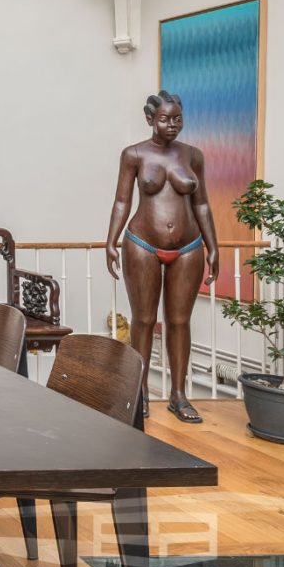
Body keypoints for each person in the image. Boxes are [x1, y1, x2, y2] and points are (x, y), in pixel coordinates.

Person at [105, 90, 220, 423]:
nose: (172, 125)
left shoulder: (193, 156)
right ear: (150, 119)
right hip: (142, 243)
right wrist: (111, 240)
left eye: (178, 119)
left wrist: (214, 246)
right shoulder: (134, 155)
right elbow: (121, 202)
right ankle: (138, 393)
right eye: (165, 119)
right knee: (143, 319)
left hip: (188, 247)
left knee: (180, 321)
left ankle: (179, 395)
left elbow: (201, 204)